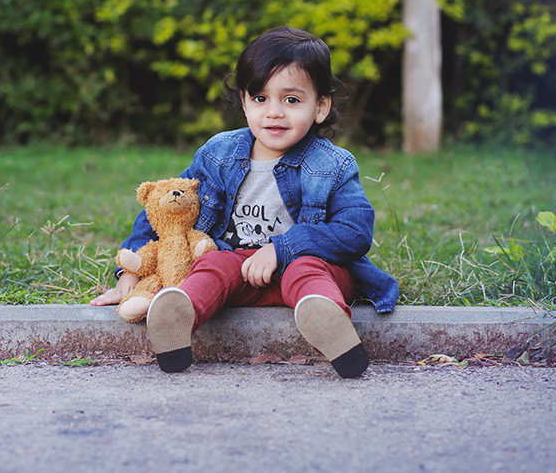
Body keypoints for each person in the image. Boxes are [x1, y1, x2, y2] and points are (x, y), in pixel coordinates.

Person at [90, 26, 399, 377]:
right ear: (244, 102)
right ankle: (178, 315)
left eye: (292, 100)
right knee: (213, 265)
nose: (274, 113)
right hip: (237, 269)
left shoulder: (333, 165)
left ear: (321, 107)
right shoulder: (219, 153)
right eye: (260, 98)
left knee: (306, 270)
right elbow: (166, 210)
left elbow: (355, 231)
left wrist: (282, 248)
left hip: (307, 268)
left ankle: (329, 324)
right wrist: (130, 270)